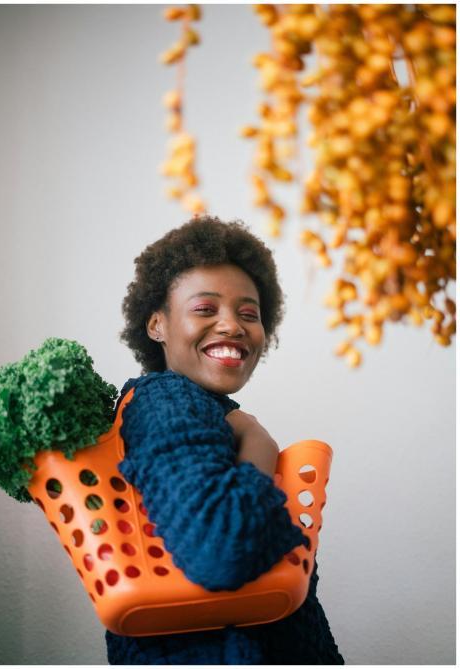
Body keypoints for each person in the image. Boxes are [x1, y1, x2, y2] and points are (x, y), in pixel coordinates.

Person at [106, 215, 344, 664]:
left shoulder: (205, 411)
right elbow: (220, 548)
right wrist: (259, 440)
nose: (233, 325)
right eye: (205, 309)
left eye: (248, 314)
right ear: (156, 324)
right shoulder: (165, 398)